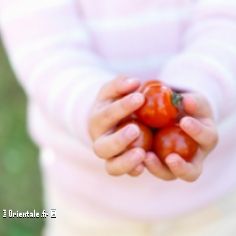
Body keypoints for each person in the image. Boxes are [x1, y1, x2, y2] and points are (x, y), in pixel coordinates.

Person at [0, 0, 236, 235]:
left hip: (216, 197)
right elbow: (43, 44)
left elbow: (227, 20)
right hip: (86, 204)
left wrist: (201, 88)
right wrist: (95, 107)